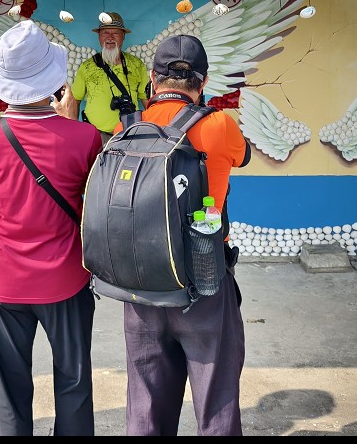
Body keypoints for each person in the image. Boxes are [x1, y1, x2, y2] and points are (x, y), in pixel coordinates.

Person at [0, 20, 103, 436]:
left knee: (8, 385)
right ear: (54, 83)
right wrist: (65, 120)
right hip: (66, 278)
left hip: (2, 280)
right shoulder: (84, 137)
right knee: (74, 379)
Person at [114, 34, 251, 436]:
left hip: (141, 282)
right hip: (204, 279)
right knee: (216, 401)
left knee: (146, 404)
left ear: (154, 82)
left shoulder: (129, 128)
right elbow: (241, 157)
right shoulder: (220, 124)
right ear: (202, 82)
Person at [70, 12, 149, 143]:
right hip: (95, 136)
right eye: (105, 33)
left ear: (123, 36)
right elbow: (75, 100)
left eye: (116, 33)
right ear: (99, 37)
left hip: (129, 134)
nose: (110, 37)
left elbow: (146, 100)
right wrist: (73, 132)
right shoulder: (87, 66)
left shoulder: (137, 65)